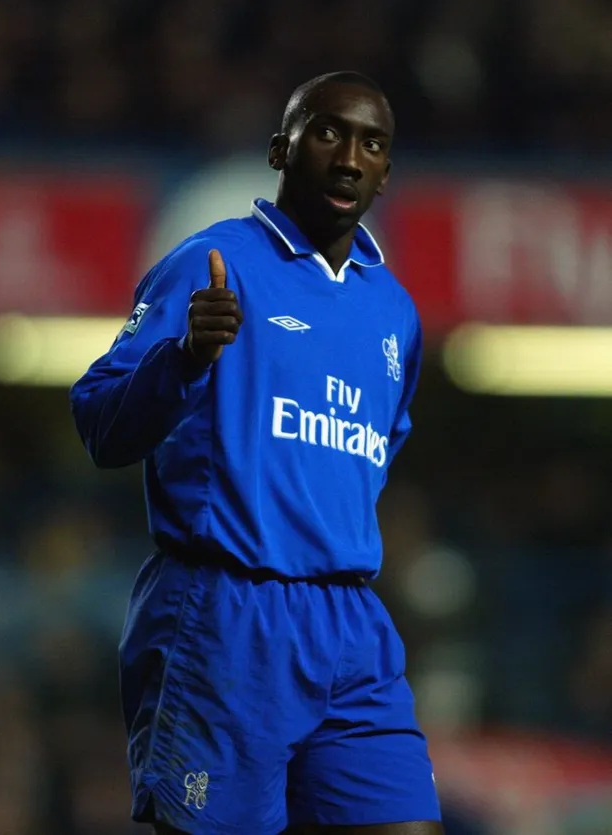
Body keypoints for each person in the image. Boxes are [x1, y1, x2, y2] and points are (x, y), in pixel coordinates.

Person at [70, 71, 444, 835]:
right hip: (225, 614)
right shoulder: (213, 263)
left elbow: (376, 451)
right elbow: (99, 422)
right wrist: (182, 357)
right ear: (283, 148)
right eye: (329, 132)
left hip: (351, 624)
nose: (348, 157)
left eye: (371, 143)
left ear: (385, 170)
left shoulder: (394, 310)